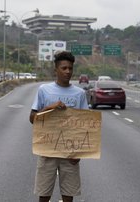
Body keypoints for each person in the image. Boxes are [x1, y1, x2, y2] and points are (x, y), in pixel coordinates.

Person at [29, 51, 89, 202]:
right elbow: (33, 118)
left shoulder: (80, 93)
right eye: (64, 68)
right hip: (47, 150)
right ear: (56, 70)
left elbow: (86, 125)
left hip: (70, 152)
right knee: (44, 195)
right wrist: (51, 107)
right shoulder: (44, 90)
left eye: (70, 68)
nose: (67, 71)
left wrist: (79, 153)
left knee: (69, 195)